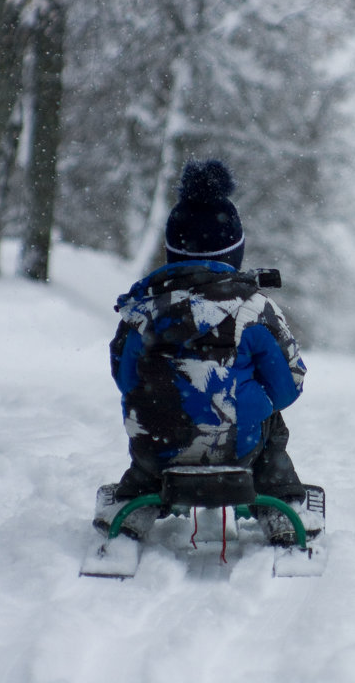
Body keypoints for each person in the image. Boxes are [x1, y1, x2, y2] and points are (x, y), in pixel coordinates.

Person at [92, 159, 314, 545]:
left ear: (171, 253)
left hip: (158, 451)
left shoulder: (141, 312)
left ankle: (137, 498)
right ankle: (281, 498)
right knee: (271, 423)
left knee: (152, 414)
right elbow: (288, 385)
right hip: (239, 450)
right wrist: (245, 404)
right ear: (235, 253)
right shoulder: (255, 309)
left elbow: (125, 379)